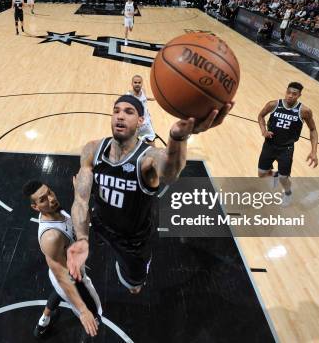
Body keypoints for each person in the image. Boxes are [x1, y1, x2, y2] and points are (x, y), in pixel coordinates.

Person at [67, 96, 232, 294]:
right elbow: (80, 200)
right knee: (93, 218)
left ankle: (136, 275)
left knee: (135, 286)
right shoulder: (93, 150)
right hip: (101, 224)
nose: (120, 116)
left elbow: (170, 174)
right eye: (116, 110)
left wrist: (178, 139)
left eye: (129, 112)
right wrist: (82, 238)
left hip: (132, 241)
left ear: (140, 121)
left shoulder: (147, 158)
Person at [22, 181, 101, 340]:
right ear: (35, 207)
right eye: (43, 199)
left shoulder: (54, 210)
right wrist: (83, 310)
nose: (51, 199)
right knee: (94, 316)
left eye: (50, 192)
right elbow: (63, 277)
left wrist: (80, 196)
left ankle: (44, 320)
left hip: (61, 270)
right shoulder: (51, 237)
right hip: (70, 278)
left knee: (58, 292)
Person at [257, 82, 318, 204]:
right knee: (261, 174)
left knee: (284, 178)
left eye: (294, 94)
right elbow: (260, 116)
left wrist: (314, 151)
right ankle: (274, 174)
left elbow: (313, 130)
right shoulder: (273, 104)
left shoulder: (304, 111)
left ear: (299, 95)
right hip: (269, 145)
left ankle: (288, 193)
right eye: (288, 92)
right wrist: (264, 130)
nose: (290, 96)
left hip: (286, 149)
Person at [126, 75, 156, 145]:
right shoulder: (129, 96)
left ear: (142, 83)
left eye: (139, 82)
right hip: (135, 126)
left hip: (146, 123)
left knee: (152, 146)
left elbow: (144, 98)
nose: (137, 84)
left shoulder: (143, 91)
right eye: (135, 82)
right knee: (132, 147)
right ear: (132, 83)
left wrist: (151, 99)